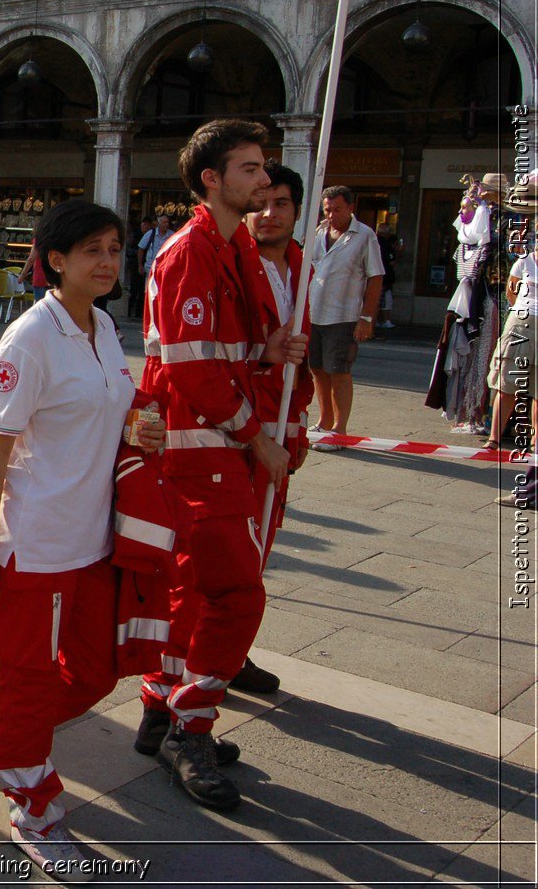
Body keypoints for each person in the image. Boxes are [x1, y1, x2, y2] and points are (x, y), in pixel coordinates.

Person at [0, 199, 157, 879]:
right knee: (32, 686)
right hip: (33, 544)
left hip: (94, 539)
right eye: (91, 249)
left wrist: (139, 428)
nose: (106, 261)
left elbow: (107, 411)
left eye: (114, 248)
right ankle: (34, 812)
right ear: (55, 260)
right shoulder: (29, 339)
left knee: (97, 671)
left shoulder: (101, 324)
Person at [134, 119, 305, 813]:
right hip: (202, 449)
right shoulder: (191, 253)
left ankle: (159, 710)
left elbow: (228, 352)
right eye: (249, 169)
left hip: (216, 448)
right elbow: (193, 366)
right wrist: (255, 433)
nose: (263, 181)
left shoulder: (234, 248)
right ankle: (189, 725)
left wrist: (270, 352)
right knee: (237, 594)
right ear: (211, 179)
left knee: (194, 592)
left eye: (264, 168)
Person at [237, 160, 315, 696]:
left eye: (281, 204)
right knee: (228, 547)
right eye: (261, 202)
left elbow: (302, 362)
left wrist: (299, 425)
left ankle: (233, 648)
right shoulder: (228, 263)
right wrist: (260, 356)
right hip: (234, 427)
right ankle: (201, 654)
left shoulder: (303, 267)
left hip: (281, 424)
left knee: (260, 542)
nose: (268, 214)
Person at [308, 185, 384, 448]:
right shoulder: (318, 232)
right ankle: (325, 420)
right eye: (327, 210)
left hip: (344, 315)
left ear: (351, 208)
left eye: (337, 209)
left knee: (339, 371)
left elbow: (375, 276)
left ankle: (340, 430)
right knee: (317, 369)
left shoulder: (364, 235)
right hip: (314, 312)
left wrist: (366, 318)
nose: (331, 215)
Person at [485, 236, 536, 450]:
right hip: (520, 325)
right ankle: (494, 438)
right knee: (507, 385)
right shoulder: (524, 262)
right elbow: (511, 293)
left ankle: (535, 442)